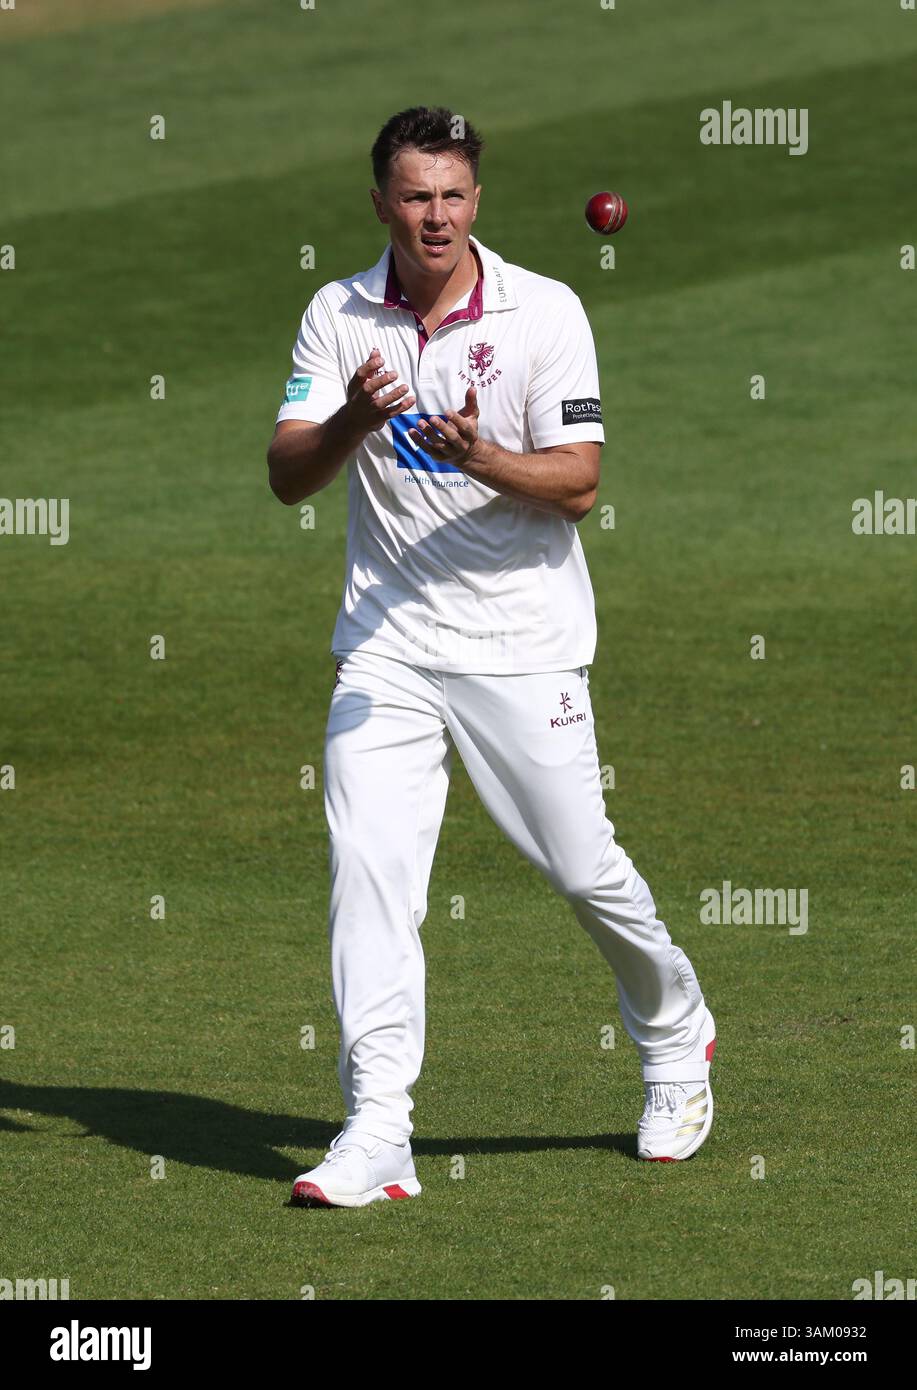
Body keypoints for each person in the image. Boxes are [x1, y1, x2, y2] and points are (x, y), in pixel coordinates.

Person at [267, 107, 716, 1208]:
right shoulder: (337, 314)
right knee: (367, 874)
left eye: (453, 195)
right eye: (414, 195)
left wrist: (481, 457)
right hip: (386, 647)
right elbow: (287, 472)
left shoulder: (541, 312)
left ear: (477, 201)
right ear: (379, 201)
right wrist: (349, 429)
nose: (435, 215)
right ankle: (377, 1130)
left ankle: (672, 1032)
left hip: (522, 645)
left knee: (579, 865)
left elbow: (576, 484)